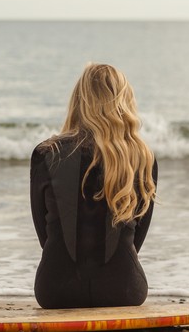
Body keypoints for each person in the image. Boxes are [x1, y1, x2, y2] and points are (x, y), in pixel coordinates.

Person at [30, 63, 158, 309]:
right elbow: (137, 238)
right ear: (124, 101)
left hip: (55, 289)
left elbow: (44, 234)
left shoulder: (47, 153)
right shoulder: (142, 157)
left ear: (78, 101)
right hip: (124, 288)